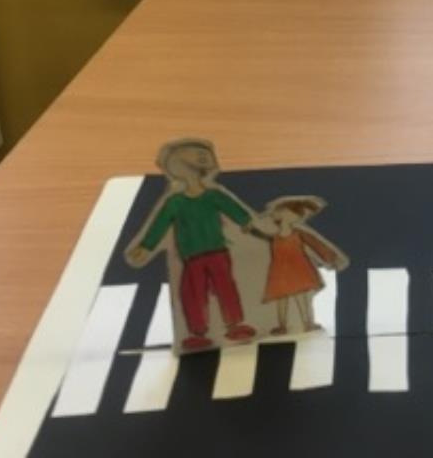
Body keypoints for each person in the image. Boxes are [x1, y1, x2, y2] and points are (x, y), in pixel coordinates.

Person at [126, 138, 258, 350]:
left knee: (226, 288)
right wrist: (146, 246)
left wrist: (248, 223)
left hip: (217, 252)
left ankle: (235, 325)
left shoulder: (213, 195)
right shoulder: (175, 202)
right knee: (193, 294)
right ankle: (198, 332)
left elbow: (235, 211)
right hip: (192, 256)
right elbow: (160, 225)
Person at [251, 196, 348, 334]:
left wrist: (331, 259)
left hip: (298, 269)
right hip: (280, 271)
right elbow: (262, 235)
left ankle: (307, 323)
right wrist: (252, 229)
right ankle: (282, 326)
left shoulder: (299, 233)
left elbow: (316, 244)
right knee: (282, 298)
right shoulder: (275, 236)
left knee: (301, 296)